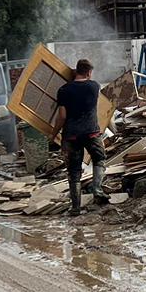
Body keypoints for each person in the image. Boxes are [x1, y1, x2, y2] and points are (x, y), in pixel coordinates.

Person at [52, 58, 108, 215]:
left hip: (71, 136)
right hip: (92, 132)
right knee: (100, 158)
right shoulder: (94, 86)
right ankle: (97, 189)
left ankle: (76, 207)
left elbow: (62, 116)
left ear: (76, 71)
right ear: (89, 72)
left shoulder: (64, 90)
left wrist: (53, 135)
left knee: (74, 171)